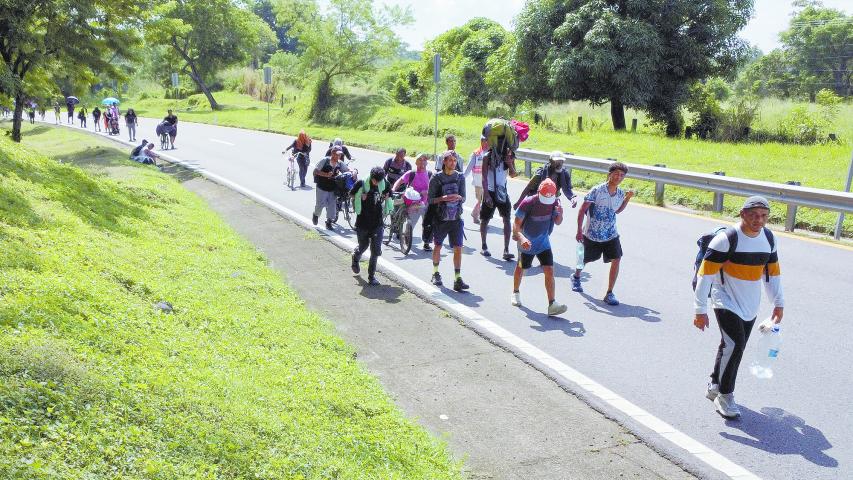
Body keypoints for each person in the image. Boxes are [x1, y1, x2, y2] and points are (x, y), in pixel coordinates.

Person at [694, 196, 784, 419]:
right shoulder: (725, 240)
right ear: (742, 214)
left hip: (750, 304)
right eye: (753, 215)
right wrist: (700, 309)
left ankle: (714, 384)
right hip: (723, 298)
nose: (758, 220)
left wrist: (778, 303)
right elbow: (705, 275)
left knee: (730, 345)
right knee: (735, 346)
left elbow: (772, 275)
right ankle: (725, 396)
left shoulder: (769, 239)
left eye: (763, 216)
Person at [571, 161, 634, 305]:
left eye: (622, 175)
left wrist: (627, 199)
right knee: (585, 259)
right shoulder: (597, 190)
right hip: (592, 233)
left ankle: (609, 292)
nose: (619, 177)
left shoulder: (620, 193)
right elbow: (582, 210)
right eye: (616, 173)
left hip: (611, 234)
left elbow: (617, 211)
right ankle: (576, 277)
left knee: (616, 258)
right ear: (610, 174)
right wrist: (579, 230)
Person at [511, 179, 568, 316]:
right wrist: (522, 238)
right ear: (538, 192)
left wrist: (560, 213)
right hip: (526, 242)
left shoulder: (555, 202)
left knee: (549, 270)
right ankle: (515, 292)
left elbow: (558, 222)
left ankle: (552, 304)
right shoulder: (528, 202)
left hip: (543, 242)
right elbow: (516, 225)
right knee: (521, 267)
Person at [428, 150, 468, 292]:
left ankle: (457, 278)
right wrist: (443, 199)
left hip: (456, 219)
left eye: (455, 161)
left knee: (458, 248)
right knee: (438, 246)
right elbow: (430, 200)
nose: (453, 163)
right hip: (440, 219)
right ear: (444, 162)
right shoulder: (436, 178)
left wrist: (458, 198)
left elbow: (464, 197)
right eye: (450, 160)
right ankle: (435, 273)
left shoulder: (460, 177)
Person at [350, 167, 393, 286]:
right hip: (363, 222)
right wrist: (360, 197)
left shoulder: (384, 183)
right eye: (375, 181)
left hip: (377, 222)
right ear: (371, 177)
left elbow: (390, 194)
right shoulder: (362, 183)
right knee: (363, 246)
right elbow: (351, 194)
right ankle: (356, 256)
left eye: (379, 181)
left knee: (376, 251)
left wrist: (387, 196)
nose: (377, 183)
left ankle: (371, 276)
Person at [480, 145, 518, 261]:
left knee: (507, 219)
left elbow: (513, 174)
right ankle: (484, 246)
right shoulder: (488, 156)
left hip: (502, 192)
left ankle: (506, 249)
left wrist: (510, 163)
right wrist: (486, 195)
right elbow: (484, 177)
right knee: (485, 219)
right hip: (490, 192)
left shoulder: (509, 156)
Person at [391, 153, 431, 247]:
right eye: (420, 160)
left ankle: (426, 242)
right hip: (414, 203)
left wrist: (428, 192)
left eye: (424, 160)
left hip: (427, 203)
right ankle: (407, 236)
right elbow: (400, 181)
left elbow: (434, 187)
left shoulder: (429, 174)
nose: (422, 163)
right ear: (416, 163)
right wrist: (393, 189)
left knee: (427, 224)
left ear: (426, 163)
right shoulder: (411, 173)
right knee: (411, 223)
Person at [312, 146, 350, 230]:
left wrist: (354, 172)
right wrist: (326, 175)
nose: (339, 156)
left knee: (332, 206)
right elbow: (315, 171)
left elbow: (347, 170)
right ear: (332, 153)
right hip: (322, 187)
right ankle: (316, 215)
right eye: (337, 154)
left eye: (340, 155)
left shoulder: (340, 163)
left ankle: (329, 222)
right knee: (320, 204)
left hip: (333, 188)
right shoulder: (325, 160)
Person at [463, 135, 488, 224]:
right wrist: (463, 177)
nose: (486, 143)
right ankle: (477, 215)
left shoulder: (491, 152)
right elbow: (469, 166)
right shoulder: (476, 153)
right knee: (481, 200)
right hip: (478, 181)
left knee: (484, 200)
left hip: (488, 182)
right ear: (481, 142)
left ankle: (476, 214)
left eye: (487, 141)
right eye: (484, 141)